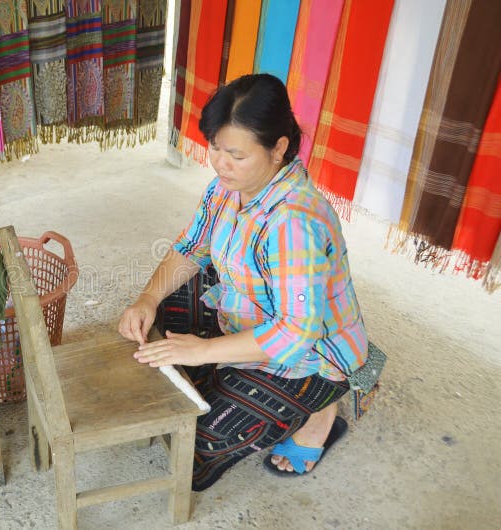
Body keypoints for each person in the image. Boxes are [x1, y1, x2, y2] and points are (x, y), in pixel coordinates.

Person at [118, 74, 368, 491]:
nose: (219, 163)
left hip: (310, 357)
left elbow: (296, 332)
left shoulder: (293, 222)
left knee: (197, 442)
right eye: (215, 147)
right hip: (249, 315)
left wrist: (205, 351)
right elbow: (192, 246)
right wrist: (145, 298)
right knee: (159, 311)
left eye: (235, 153)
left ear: (279, 148)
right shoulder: (226, 187)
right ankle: (222, 372)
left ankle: (321, 411)